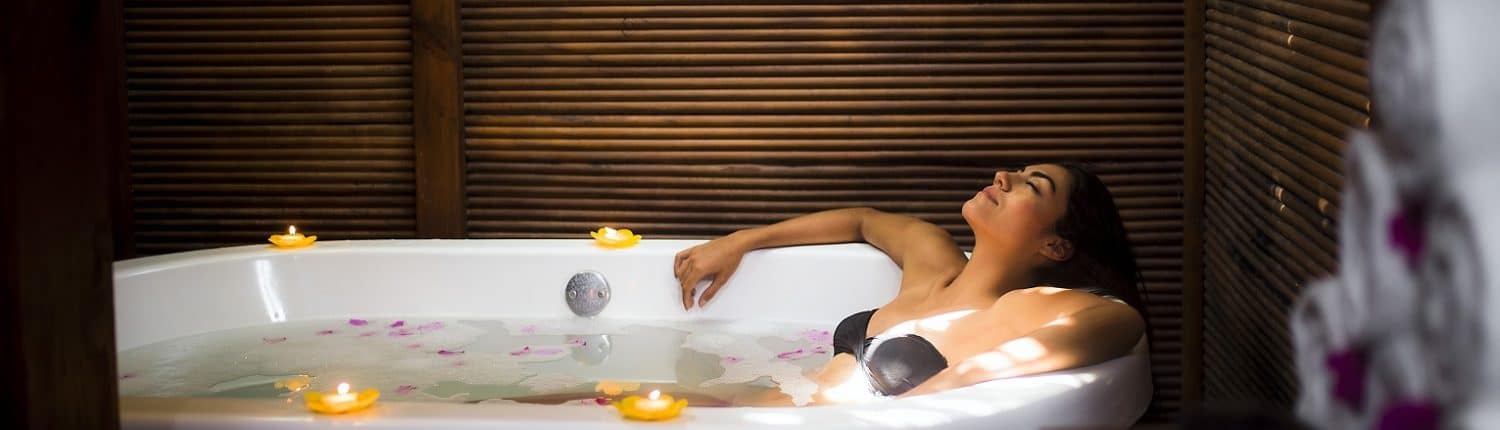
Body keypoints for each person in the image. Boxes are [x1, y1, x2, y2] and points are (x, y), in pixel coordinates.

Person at [672, 163, 1149, 404]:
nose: (1004, 176)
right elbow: (863, 221)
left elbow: (1121, 321)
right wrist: (741, 241)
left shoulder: (1020, 310)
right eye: (1017, 171)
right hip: (771, 410)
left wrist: (926, 400)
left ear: (1056, 247)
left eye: (1032, 185)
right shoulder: (932, 258)